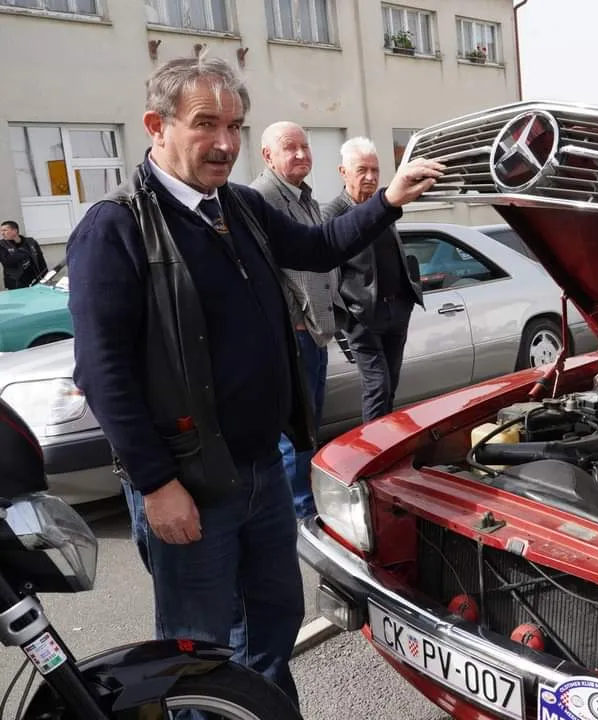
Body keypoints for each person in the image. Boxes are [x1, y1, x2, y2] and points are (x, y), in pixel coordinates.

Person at [65, 56, 442, 707]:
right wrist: (157, 486)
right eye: (206, 124)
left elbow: (320, 248)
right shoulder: (116, 227)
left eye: (235, 125)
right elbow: (104, 372)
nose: (226, 143)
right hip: (189, 485)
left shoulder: (238, 206)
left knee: (271, 628)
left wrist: (388, 200)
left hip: (264, 470)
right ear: (157, 125)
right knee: (196, 657)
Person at [249, 121, 339, 519]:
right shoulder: (260, 198)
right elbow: (262, 272)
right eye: (291, 148)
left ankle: (305, 501)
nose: (302, 154)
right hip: (294, 333)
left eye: (306, 146)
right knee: (294, 431)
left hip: (315, 331)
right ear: (268, 156)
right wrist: (295, 320)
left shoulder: (304, 197)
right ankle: (297, 510)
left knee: (310, 425)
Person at [323, 137, 424, 424]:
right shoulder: (332, 215)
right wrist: (346, 318)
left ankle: (384, 440)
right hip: (364, 318)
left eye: (375, 171)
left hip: (397, 311)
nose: (370, 177)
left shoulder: (384, 206)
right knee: (377, 386)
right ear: (343, 172)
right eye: (361, 170)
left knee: (390, 384)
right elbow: (327, 274)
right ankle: (373, 454)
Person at [0, 220, 48, 290]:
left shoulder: (31, 242)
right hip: (16, 282)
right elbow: (7, 262)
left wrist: (46, 277)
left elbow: (40, 260)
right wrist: (22, 252)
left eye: (5, 230)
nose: (2, 233)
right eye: (1, 231)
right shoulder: (2, 245)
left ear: (15, 231)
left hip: (35, 279)